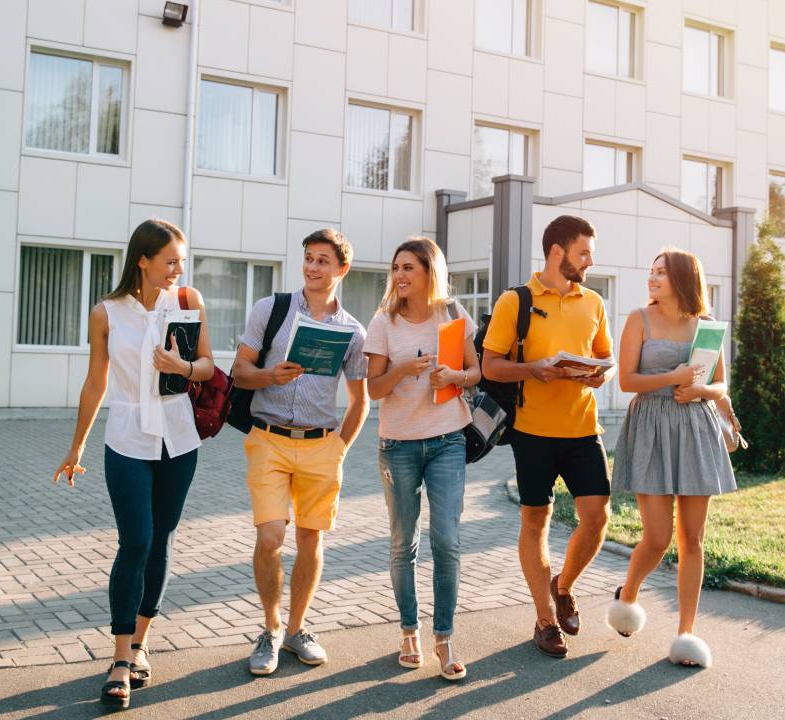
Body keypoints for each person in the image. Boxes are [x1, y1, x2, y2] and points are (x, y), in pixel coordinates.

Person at [53, 218, 214, 709]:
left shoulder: (188, 301)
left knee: (161, 540)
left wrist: (182, 367)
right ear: (143, 260)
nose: (177, 269)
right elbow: (95, 381)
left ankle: (141, 643)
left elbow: (208, 366)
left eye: (181, 261)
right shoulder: (106, 312)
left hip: (178, 438)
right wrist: (76, 446)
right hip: (126, 437)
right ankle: (120, 658)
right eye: (170, 261)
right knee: (136, 540)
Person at [231, 229, 369, 676]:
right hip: (268, 438)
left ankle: (296, 630)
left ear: (342, 269)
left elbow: (361, 400)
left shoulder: (353, 331)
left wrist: (339, 448)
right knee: (270, 538)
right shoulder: (270, 310)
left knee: (311, 540)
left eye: (322, 260)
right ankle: (270, 629)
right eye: (308, 258)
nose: (312, 267)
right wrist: (270, 376)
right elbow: (239, 371)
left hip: (320, 445)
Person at [481, 214, 615, 659]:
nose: (590, 261)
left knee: (597, 517)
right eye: (583, 253)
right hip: (532, 432)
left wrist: (599, 374)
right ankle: (544, 619)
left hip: (583, 429)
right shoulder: (514, 301)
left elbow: (605, 355)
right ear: (557, 251)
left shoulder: (593, 302)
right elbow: (490, 366)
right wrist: (533, 369)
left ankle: (564, 586)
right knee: (535, 521)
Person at [605, 248, 737, 669]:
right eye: (652, 271)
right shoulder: (638, 319)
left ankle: (686, 633)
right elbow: (627, 381)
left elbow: (721, 384)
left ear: (682, 278)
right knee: (658, 537)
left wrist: (700, 390)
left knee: (693, 540)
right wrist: (674, 377)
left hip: (696, 429)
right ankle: (628, 595)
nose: (652, 278)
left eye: (661, 272)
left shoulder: (706, 326)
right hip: (651, 427)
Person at [364, 237, 480, 681]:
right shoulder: (383, 321)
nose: (399, 275)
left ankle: (444, 636)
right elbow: (373, 389)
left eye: (408, 267)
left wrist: (455, 376)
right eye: (396, 268)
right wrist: (402, 370)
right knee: (403, 543)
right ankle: (409, 630)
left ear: (430, 271)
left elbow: (476, 372)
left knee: (446, 540)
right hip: (399, 444)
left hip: (448, 439)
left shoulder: (452, 314)